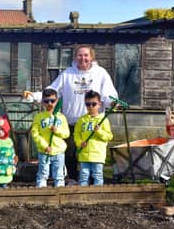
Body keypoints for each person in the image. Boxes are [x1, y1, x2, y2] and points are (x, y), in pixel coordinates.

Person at [24, 45, 117, 180]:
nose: (83, 58)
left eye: (86, 55)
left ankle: (92, 182)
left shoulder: (100, 73)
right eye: (80, 55)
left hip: (92, 123)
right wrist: (34, 96)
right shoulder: (67, 74)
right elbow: (53, 90)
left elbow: (108, 94)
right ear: (75, 57)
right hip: (71, 122)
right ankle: (73, 180)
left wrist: (113, 102)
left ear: (91, 57)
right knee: (70, 153)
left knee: (91, 153)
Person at [31, 88, 70, 188]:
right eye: (46, 101)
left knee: (59, 174)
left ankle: (59, 193)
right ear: (42, 102)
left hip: (58, 151)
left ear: (56, 101)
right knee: (43, 173)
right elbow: (35, 134)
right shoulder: (38, 117)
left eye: (52, 101)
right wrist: (44, 146)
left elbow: (66, 134)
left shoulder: (61, 117)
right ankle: (41, 192)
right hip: (44, 151)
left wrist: (57, 131)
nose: (50, 103)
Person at [74, 90, 113, 186]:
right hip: (84, 153)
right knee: (83, 175)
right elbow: (76, 134)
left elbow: (109, 136)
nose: (90, 106)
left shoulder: (103, 120)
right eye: (88, 104)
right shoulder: (82, 120)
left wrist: (99, 132)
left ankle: (97, 196)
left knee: (97, 174)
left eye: (93, 104)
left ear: (99, 104)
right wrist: (80, 143)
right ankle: (82, 196)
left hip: (98, 154)